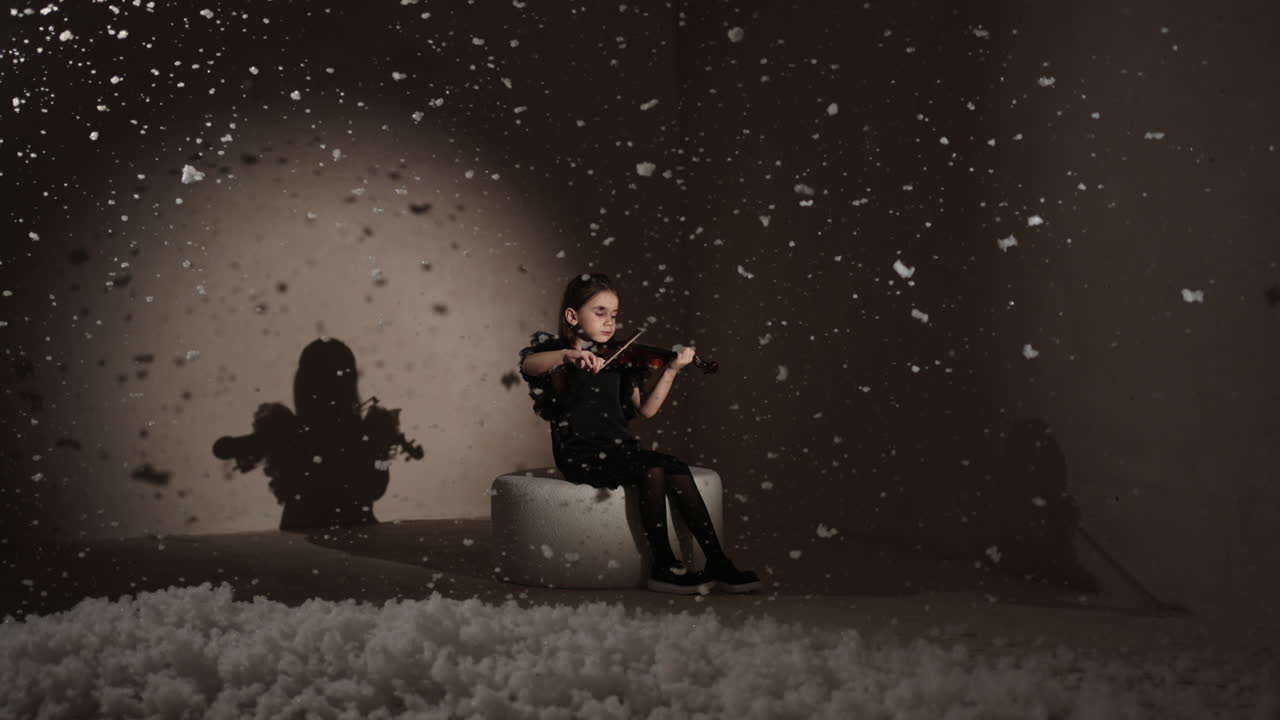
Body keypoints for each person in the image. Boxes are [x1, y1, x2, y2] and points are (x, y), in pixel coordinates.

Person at [517, 272, 761, 595]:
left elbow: (646, 410)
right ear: (573, 316)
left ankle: (716, 561)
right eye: (600, 312)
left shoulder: (620, 361)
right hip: (582, 453)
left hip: (621, 449)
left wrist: (671, 370)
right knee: (652, 470)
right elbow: (528, 366)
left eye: (614, 315)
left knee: (675, 466)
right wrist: (569, 355)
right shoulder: (559, 360)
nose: (609, 323)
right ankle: (664, 566)